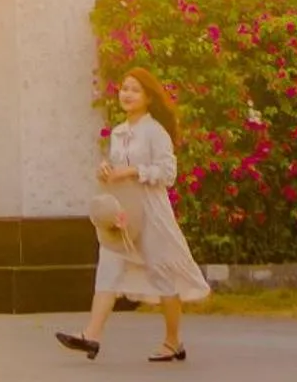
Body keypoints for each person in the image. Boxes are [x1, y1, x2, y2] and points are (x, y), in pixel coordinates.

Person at [54, 68, 210, 362]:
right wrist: (106, 170)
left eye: (135, 90)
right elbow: (116, 170)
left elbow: (168, 173)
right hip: (123, 212)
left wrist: (135, 171)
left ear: (148, 98)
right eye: (124, 88)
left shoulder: (154, 132)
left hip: (151, 213)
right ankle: (91, 336)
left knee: (162, 273)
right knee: (109, 266)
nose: (127, 94)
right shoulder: (118, 133)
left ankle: (173, 341)